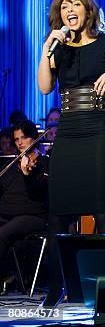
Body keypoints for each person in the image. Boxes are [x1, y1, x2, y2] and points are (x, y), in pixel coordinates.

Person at [37, 0, 105, 306]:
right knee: (58, 216)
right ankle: (56, 289)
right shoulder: (59, 48)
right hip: (68, 135)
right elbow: (44, 88)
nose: (70, 9)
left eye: (77, 5)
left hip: (99, 132)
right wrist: (46, 48)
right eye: (64, 6)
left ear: (88, 11)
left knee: (101, 212)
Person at [0, 120, 48, 292]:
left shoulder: (42, 163)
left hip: (33, 216)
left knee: (2, 234)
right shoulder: (10, 164)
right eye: (17, 139)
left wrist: (28, 174)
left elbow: (40, 193)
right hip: (9, 214)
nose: (20, 142)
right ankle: (6, 276)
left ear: (34, 138)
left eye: (24, 137)